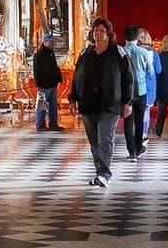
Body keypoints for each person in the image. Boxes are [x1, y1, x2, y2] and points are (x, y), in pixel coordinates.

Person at [72, 19, 134, 186]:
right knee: (94, 142)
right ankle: (99, 171)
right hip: (88, 104)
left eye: (101, 31)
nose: (98, 34)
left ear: (108, 34)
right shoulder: (85, 53)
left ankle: (105, 173)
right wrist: (73, 99)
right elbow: (77, 77)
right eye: (96, 30)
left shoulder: (118, 53)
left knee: (104, 139)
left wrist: (127, 101)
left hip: (110, 104)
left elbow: (128, 78)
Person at [123, 25, 155, 159]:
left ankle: (131, 151)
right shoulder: (143, 52)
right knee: (139, 120)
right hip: (141, 90)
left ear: (125, 38)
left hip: (125, 92)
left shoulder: (121, 51)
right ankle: (138, 147)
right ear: (137, 37)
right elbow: (150, 71)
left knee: (127, 122)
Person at [32, 31, 64, 131]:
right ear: (45, 42)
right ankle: (40, 125)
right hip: (44, 85)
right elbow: (36, 70)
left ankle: (53, 124)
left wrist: (59, 78)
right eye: (50, 42)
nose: (52, 44)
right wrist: (38, 84)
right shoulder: (39, 55)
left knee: (53, 106)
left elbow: (54, 67)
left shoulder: (51, 54)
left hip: (53, 84)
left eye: (52, 42)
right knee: (42, 106)